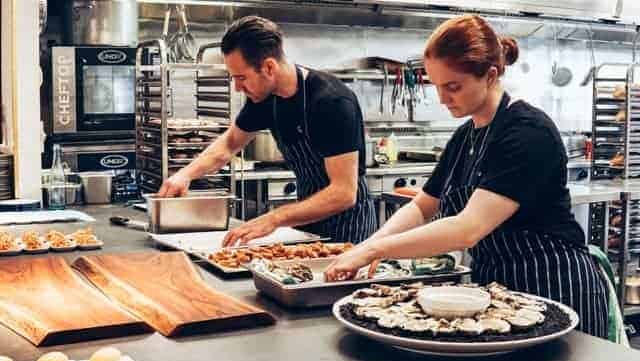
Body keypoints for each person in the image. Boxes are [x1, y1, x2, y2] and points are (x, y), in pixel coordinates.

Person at [325, 15, 608, 338]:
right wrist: (369, 244)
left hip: (555, 284)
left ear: (490, 75)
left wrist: (377, 250)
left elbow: (467, 229)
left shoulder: (527, 132)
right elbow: (422, 207)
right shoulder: (465, 136)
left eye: (453, 87)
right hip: (498, 292)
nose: (443, 98)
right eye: (437, 86)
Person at [158, 16, 376, 246]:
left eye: (241, 78)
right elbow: (230, 143)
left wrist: (275, 218)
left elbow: (344, 193)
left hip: (349, 227)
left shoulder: (331, 101)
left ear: (269, 67)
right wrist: (185, 175)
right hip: (306, 220)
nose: (237, 87)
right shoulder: (264, 98)